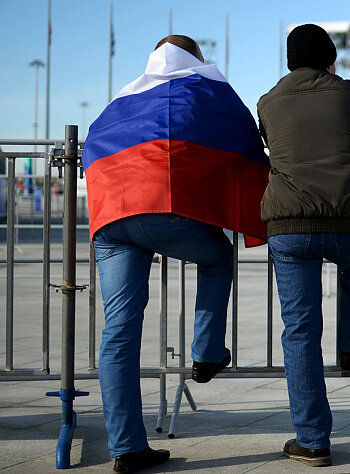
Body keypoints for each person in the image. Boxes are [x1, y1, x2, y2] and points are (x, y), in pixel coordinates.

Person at [83, 35, 268, 473]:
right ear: (196, 59)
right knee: (218, 256)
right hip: (164, 211)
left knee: (119, 332)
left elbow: (95, 146)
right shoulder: (205, 89)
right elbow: (242, 146)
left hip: (111, 220)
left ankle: (127, 447)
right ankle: (206, 353)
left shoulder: (123, 99)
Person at [257, 23, 350, 467]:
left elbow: (272, 148)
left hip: (290, 225)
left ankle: (312, 440)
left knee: (299, 330)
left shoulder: (269, 102)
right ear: (331, 59)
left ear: (290, 62)